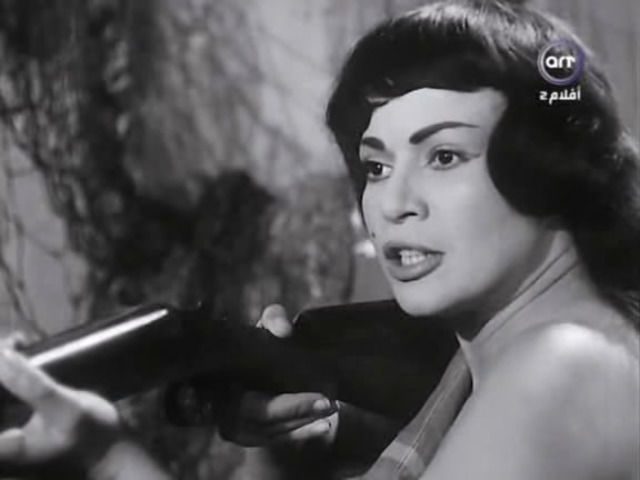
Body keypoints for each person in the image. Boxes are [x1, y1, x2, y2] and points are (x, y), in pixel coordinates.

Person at [1, 0, 639, 478]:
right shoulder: (507, 359)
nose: (393, 203)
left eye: (444, 156)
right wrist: (308, 449)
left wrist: (107, 457)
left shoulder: (562, 366)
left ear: (551, 169)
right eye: (376, 166)